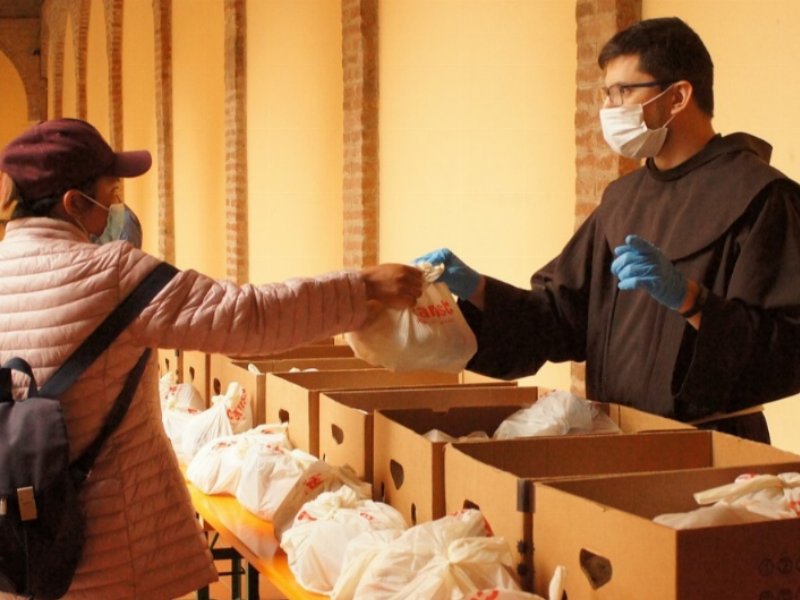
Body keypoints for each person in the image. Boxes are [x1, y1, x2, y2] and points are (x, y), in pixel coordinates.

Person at [0, 118, 423, 599]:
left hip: (26, 544)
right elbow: (246, 316)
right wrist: (361, 287)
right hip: (113, 549)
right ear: (74, 202)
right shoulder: (111, 272)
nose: (116, 209)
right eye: (110, 195)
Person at [417, 17, 800, 444]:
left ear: (678, 97)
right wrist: (478, 290)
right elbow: (561, 316)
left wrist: (693, 302)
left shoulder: (760, 197)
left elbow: (789, 347)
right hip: (616, 439)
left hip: (714, 449)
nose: (610, 108)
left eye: (624, 92)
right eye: (607, 94)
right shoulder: (623, 200)